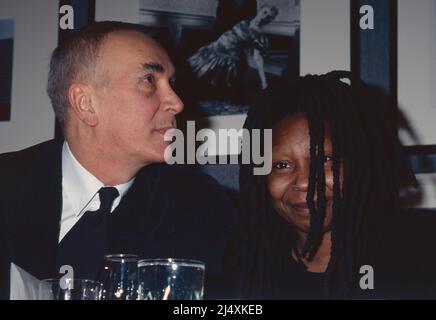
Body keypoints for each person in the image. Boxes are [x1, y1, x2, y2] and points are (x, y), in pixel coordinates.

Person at [0, 21, 238, 300]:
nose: (176, 102)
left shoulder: (202, 207)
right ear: (86, 104)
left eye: (171, 83)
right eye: (149, 80)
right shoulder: (7, 185)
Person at [238, 71, 436, 299]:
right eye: (282, 165)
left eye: (324, 159)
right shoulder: (244, 271)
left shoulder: (424, 254)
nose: (304, 182)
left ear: (359, 161)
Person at [187, 5, 278, 92]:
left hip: (228, 57)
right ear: (260, 10)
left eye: (269, 16)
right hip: (216, 47)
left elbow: (257, 58)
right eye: (265, 12)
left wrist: (264, 81)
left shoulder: (259, 35)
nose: (265, 16)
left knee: (212, 82)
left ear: (269, 20)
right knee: (196, 71)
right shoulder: (244, 17)